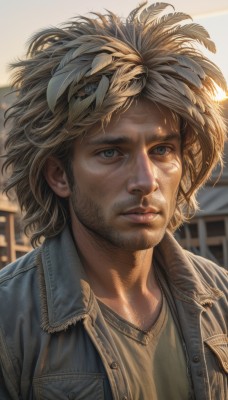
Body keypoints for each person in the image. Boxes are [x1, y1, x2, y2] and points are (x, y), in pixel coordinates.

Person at [0, 2, 227, 399]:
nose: (145, 181)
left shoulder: (222, 299)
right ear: (59, 175)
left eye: (161, 151)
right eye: (111, 152)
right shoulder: (9, 321)